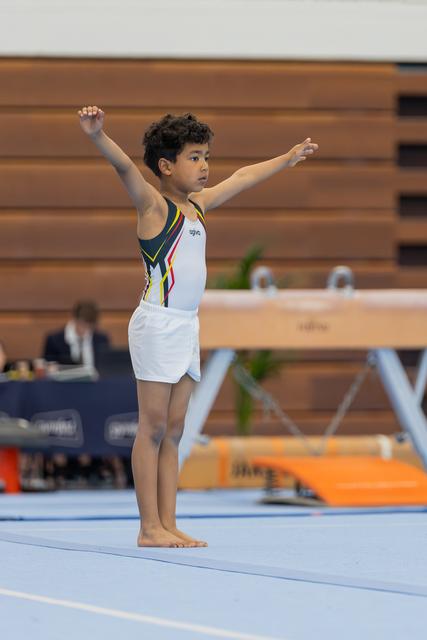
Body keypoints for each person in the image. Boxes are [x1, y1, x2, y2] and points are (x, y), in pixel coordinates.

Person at [78, 105, 318, 548]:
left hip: (187, 326)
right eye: (193, 157)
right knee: (151, 429)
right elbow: (125, 167)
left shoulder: (199, 207)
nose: (205, 166)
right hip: (156, 324)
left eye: (206, 156)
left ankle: (168, 522)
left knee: (174, 430)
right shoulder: (154, 206)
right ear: (166, 166)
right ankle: (148, 526)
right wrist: (97, 135)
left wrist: (285, 159)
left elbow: (243, 177)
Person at [43, 300, 110, 368]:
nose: (86, 330)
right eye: (83, 325)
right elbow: (47, 368)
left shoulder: (102, 339)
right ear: (75, 319)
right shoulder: (54, 340)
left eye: (90, 327)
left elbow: (107, 368)